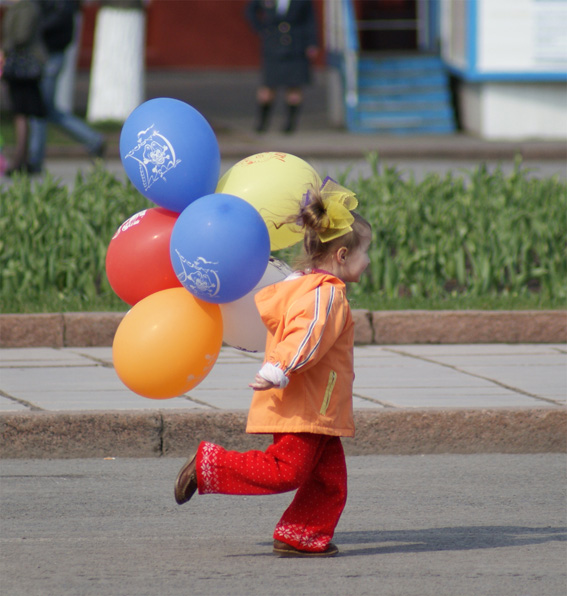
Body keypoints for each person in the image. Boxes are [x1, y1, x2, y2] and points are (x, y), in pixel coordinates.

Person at [174, 177, 372, 557]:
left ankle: (301, 534)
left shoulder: (304, 287)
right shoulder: (327, 294)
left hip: (316, 405)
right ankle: (208, 465)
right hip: (306, 405)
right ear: (342, 256)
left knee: (329, 481)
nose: (369, 262)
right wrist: (279, 368)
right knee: (286, 470)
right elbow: (307, 335)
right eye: (365, 253)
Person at [27, 0, 105, 175]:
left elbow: (57, 20)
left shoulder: (61, 4)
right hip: (46, 52)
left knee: (40, 108)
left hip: (50, 53)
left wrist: (34, 28)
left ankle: (35, 159)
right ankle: (93, 140)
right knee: (46, 109)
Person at [245, 0, 319, 133]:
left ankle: (290, 125)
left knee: (294, 88)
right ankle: (262, 123)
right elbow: (250, 11)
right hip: (273, 46)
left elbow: (310, 20)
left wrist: (312, 42)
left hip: (296, 46)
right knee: (268, 88)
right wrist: (261, 29)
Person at [0, 0, 46, 176]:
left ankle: (22, 158)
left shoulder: (27, 7)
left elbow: (21, 35)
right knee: (21, 112)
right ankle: (23, 158)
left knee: (23, 111)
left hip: (24, 67)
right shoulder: (20, 7)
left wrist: (4, 49)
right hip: (20, 67)